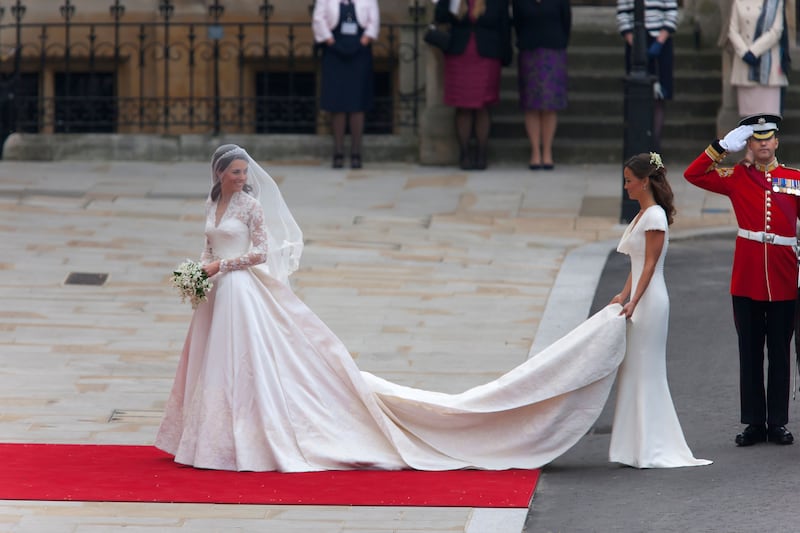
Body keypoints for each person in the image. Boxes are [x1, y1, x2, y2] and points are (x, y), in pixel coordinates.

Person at [155, 143, 634, 472]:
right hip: (218, 293)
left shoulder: (251, 207)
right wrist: (200, 272)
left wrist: (224, 268)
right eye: (235, 173)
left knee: (246, 363)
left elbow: (261, 253)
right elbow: (207, 246)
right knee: (211, 365)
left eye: (244, 173)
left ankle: (249, 433)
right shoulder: (214, 203)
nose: (242, 179)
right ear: (220, 175)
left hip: (242, 291)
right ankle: (207, 437)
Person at [684, 113, 799, 447]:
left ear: (777, 142)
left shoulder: (793, 179)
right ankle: (754, 422)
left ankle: (777, 422)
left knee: (779, 352)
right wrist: (720, 147)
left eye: (768, 138)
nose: (763, 144)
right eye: (756, 139)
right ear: (749, 144)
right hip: (747, 279)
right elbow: (693, 174)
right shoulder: (736, 177)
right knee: (749, 352)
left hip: (782, 277)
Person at [607, 152, 712, 468]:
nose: (626, 187)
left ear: (644, 181)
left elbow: (650, 265)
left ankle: (652, 447)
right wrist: (623, 294)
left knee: (647, 370)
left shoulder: (654, 217)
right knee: (634, 370)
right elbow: (636, 263)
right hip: (641, 296)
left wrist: (635, 300)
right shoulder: (643, 215)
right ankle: (634, 447)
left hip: (651, 301)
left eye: (629, 181)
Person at [434, 0, 512, 170]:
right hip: (459, 55)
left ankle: (482, 153)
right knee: (462, 106)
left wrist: (506, 55)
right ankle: (465, 153)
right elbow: (440, 17)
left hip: (487, 55)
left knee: (483, 105)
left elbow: (504, 25)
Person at [312, 0, 380, 169]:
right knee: (337, 102)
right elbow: (319, 19)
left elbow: (374, 22)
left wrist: (362, 42)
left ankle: (356, 152)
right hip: (334, 51)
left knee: (357, 102)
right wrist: (331, 42)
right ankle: (338, 151)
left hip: (360, 52)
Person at [512, 0, 571, 171]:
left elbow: (566, 22)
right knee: (531, 105)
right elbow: (517, 23)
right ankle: (535, 152)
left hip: (553, 52)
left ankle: (547, 151)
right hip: (529, 53)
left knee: (550, 105)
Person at [616, 0, 678, 150]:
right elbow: (622, 15)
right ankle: (638, 144)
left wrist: (659, 41)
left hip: (660, 44)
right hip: (635, 43)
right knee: (636, 94)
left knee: (659, 96)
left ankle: (654, 146)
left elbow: (671, 12)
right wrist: (635, 44)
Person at [727, 0, 787, 118]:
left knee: (768, 121)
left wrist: (754, 51)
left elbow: (776, 31)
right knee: (749, 122)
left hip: (769, 71)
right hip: (744, 66)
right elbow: (732, 30)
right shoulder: (738, 2)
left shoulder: (775, 2)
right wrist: (744, 53)